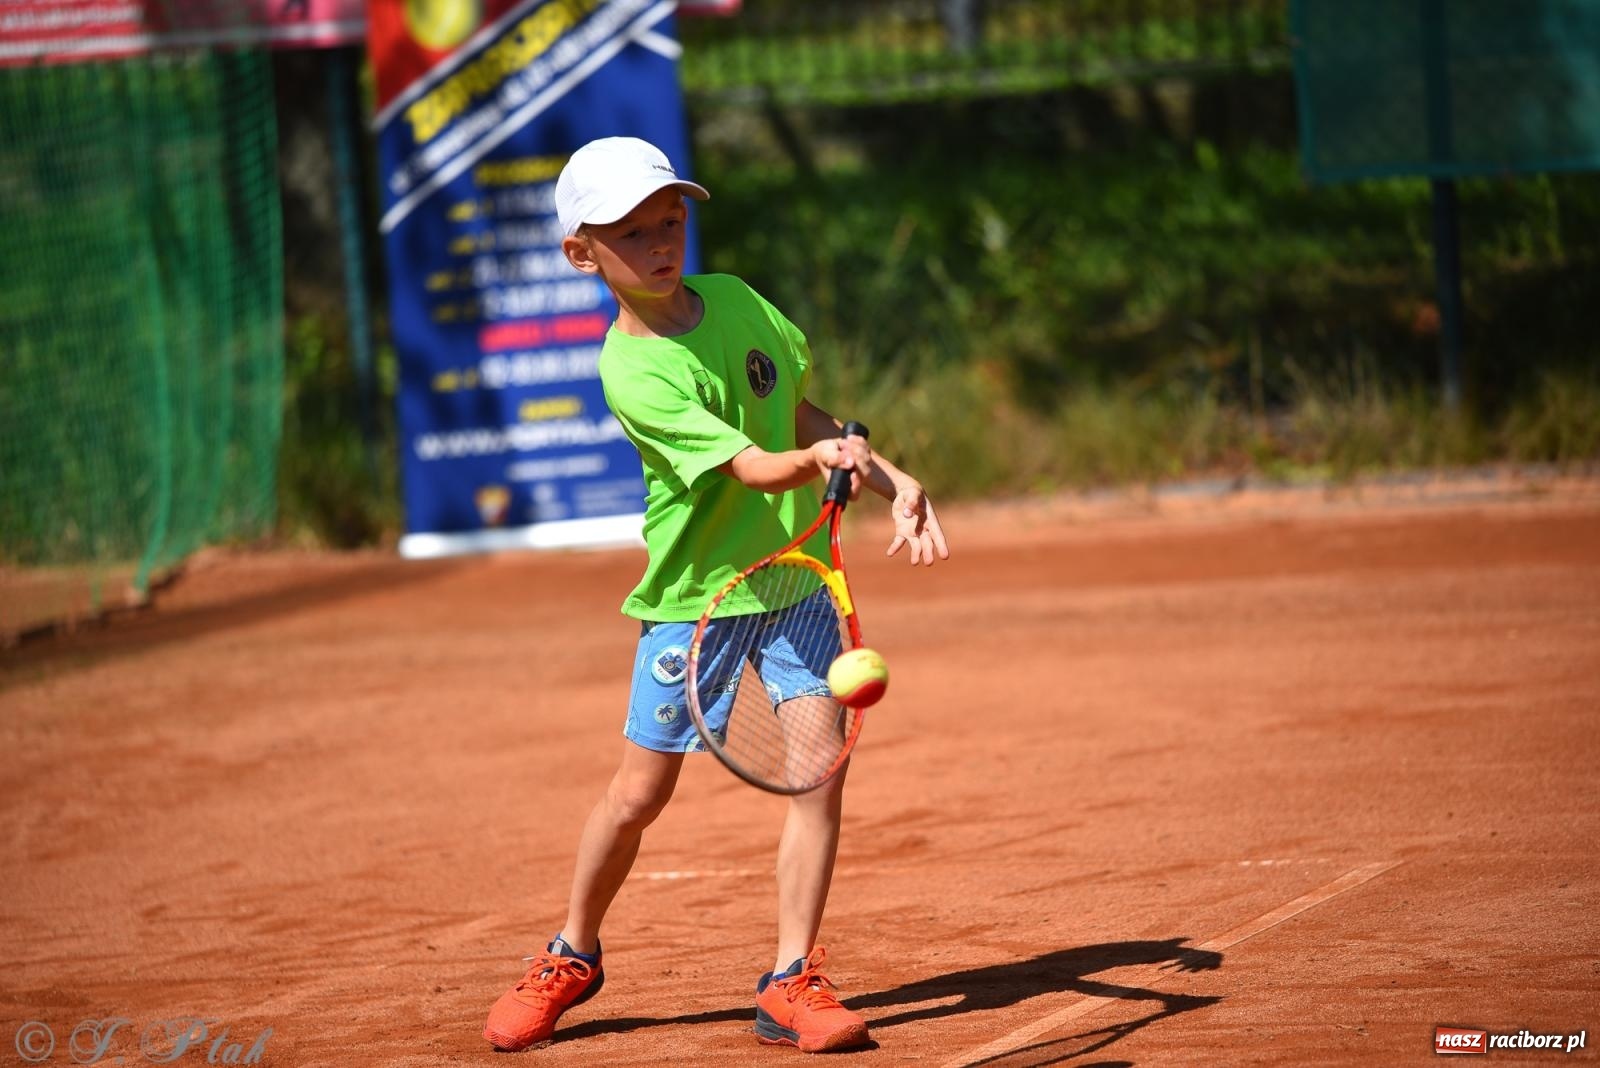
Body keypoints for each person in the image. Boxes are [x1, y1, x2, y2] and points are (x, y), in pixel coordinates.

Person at [483, 136, 950, 1055]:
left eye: (670, 220)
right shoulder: (633, 370)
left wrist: (892, 476)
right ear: (582, 252)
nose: (661, 243)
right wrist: (814, 458)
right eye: (631, 233)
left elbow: (795, 415)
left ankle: (790, 977)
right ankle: (572, 953)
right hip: (696, 600)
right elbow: (754, 464)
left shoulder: (737, 300)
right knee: (637, 795)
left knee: (819, 771)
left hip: (795, 584)